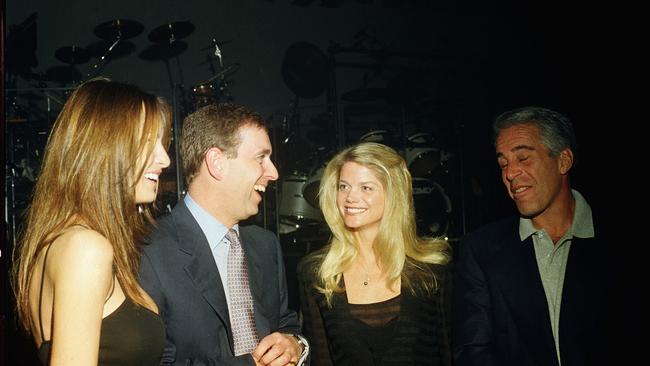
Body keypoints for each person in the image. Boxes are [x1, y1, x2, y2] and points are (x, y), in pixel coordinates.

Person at [12, 77, 172, 365]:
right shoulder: (86, 248)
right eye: (149, 142)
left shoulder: (64, 241)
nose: (164, 159)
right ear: (104, 146)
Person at [139, 103, 308, 366]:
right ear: (217, 163)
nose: (273, 173)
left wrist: (296, 347)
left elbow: (287, 326)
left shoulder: (266, 245)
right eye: (261, 158)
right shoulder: (148, 250)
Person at [452, 106, 617, 366]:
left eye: (523, 158)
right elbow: (473, 351)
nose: (509, 173)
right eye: (503, 163)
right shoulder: (481, 249)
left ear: (563, 161)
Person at [298, 142, 452, 366]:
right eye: (343, 186)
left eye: (366, 187)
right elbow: (321, 361)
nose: (349, 197)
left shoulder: (432, 271)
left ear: (393, 195)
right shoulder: (318, 274)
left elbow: (450, 355)